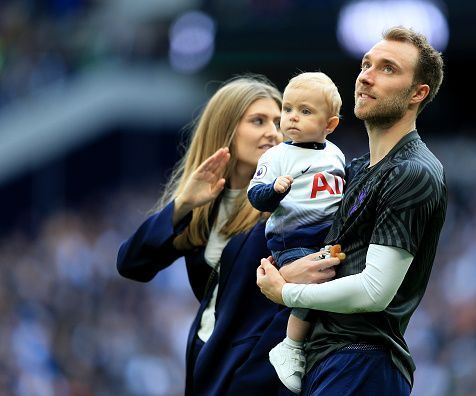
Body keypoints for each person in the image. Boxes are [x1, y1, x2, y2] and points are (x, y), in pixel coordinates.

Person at [256, 26, 447, 396]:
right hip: (328, 360)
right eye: (365, 64)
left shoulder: (413, 171)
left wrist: (287, 292)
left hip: (363, 360)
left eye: (388, 69)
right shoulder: (356, 168)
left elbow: (374, 291)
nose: (366, 77)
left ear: (417, 94)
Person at [116, 75, 334, 396]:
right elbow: (132, 264)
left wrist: (252, 375)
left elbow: (310, 290)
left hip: (256, 376)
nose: (273, 132)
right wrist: (183, 204)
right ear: (226, 130)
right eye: (258, 121)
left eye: (277, 121)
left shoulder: (294, 197)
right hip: (207, 360)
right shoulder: (205, 204)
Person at [247, 72, 345, 393]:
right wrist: (274, 190)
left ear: (329, 125)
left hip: (328, 239)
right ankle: (290, 345)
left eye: (305, 111)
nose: (292, 117)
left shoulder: (335, 154)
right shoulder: (276, 155)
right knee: (317, 278)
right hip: (293, 240)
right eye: (288, 109)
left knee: (335, 276)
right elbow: (255, 195)